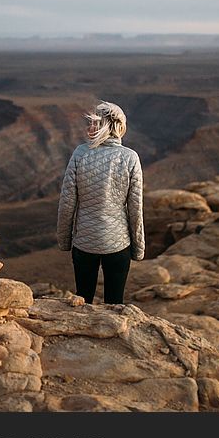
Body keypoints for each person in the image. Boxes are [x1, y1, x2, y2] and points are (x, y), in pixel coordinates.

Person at [56, 100, 145, 304]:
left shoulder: (80, 153)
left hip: (84, 244)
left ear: (106, 126)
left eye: (95, 123)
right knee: (115, 304)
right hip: (118, 245)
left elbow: (67, 202)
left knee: (83, 301)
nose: (90, 128)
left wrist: (64, 241)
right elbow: (135, 208)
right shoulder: (130, 158)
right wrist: (138, 249)